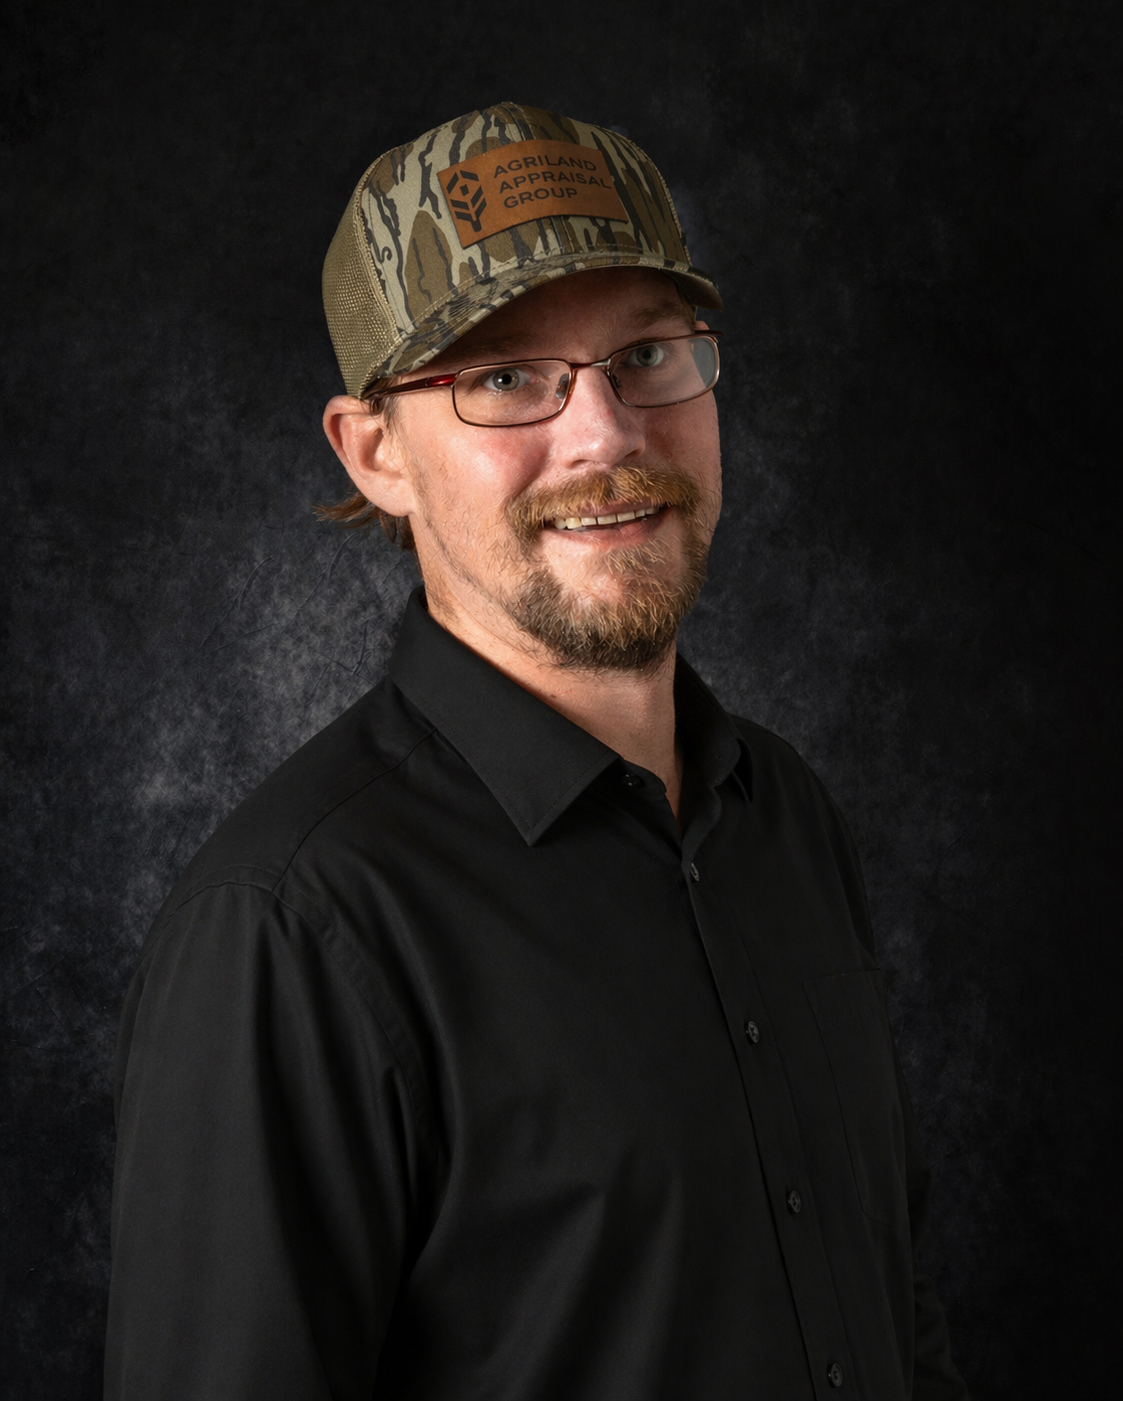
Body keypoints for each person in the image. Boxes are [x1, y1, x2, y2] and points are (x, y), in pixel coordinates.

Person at [105, 102, 968, 1400]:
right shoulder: (286, 932)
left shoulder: (785, 815)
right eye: (504, 377)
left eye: (647, 355)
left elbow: (894, 1308)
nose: (606, 435)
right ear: (376, 453)